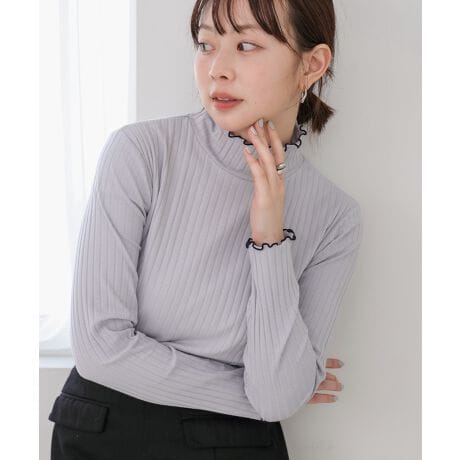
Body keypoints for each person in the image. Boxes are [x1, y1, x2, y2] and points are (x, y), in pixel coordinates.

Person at [48, 0, 363, 458]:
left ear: (311, 65)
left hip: (236, 445)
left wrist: (270, 240)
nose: (217, 69)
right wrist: (262, 392)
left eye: (246, 45)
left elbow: (278, 396)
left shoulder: (335, 218)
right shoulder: (141, 153)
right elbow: (100, 348)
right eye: (205, 44)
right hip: (106, 432)